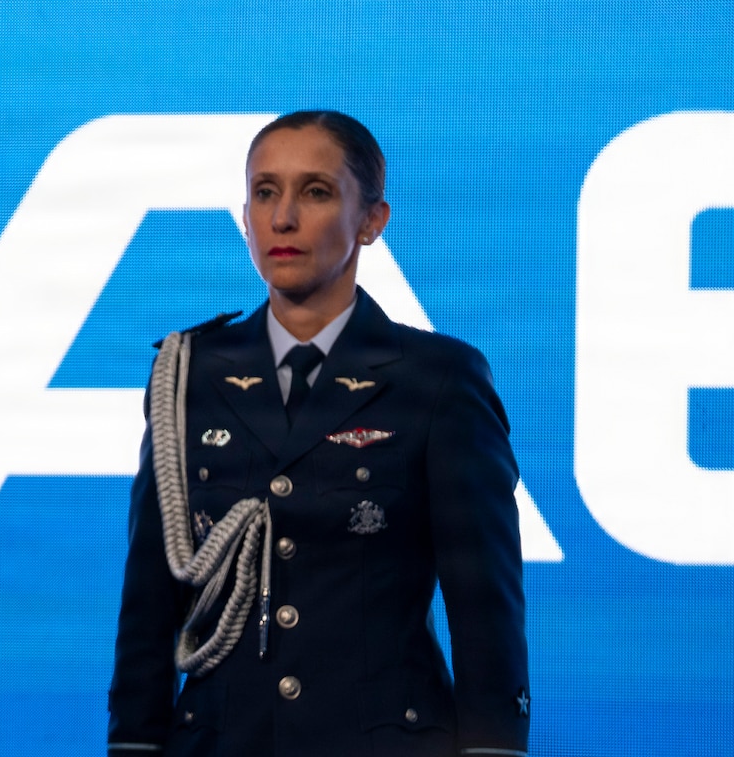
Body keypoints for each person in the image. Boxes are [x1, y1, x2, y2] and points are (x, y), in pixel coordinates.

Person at [107, 111, 529, 757]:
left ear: (372, 221)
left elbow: (485, 611)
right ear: (245, 215)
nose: (282, 219)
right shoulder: (185, 375)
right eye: (265, 192)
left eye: (316, 192)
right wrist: (132, 744)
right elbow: (149, 601)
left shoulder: (438, 379)